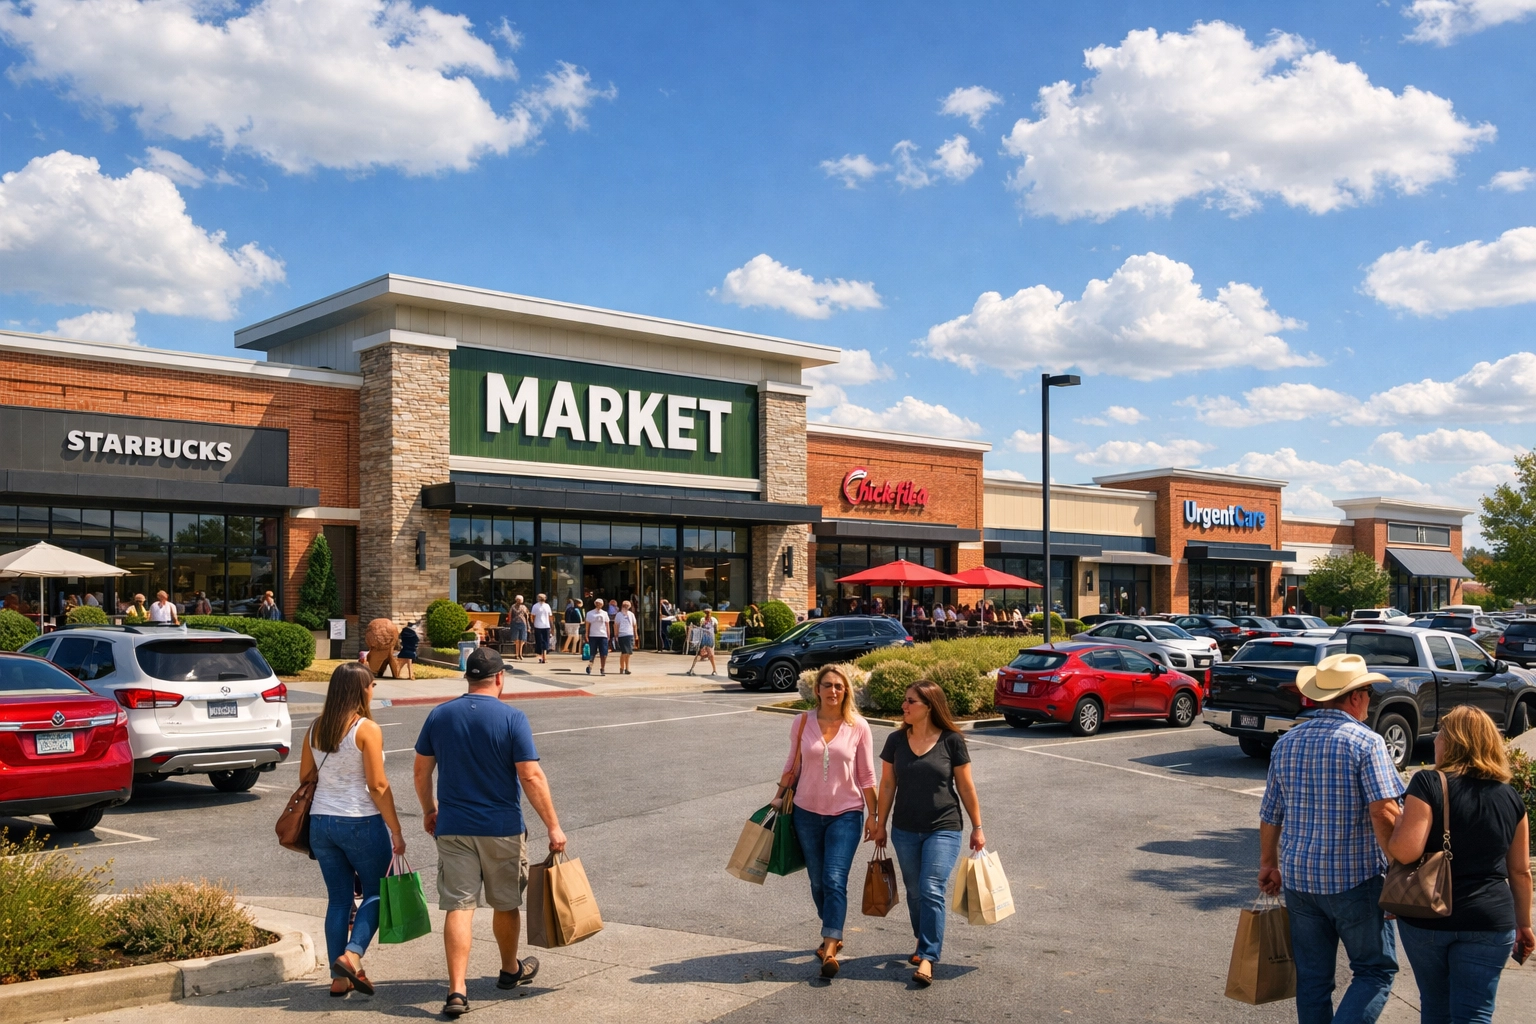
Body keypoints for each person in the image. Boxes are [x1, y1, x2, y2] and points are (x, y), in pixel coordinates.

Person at [413, 649, 566, 1018]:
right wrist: (553, 825)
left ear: (468, 678)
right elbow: (530, 776)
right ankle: (510, 969)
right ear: (499, 678)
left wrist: (429, 810)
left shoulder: (439, 715)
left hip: (453, 828)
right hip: (501, 829)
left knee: (459, 906)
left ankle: (456, 990)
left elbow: (420, 772)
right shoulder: (512, 717)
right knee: (505, 902)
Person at [1258, 653, 1404, 1024]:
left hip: (1300, 879)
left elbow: (1271, 813)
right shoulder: (1366, 743)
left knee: (1312, 979)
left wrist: (1268, 863)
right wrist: (1399, 871)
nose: (1370, 701)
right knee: (1375, 971)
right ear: (1355, 697)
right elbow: (1384, 812)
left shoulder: (1287, 742)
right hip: (1356, 879)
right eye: (1369, 692)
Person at [1385, 705, 1533, 1023]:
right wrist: (1525, 924)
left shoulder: (1428, 784)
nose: (1436, 738)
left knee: (1436, 1007)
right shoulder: (1510, 797)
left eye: (1441, 733)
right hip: (1490, 920)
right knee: (1475, 1013)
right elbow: (1520, 871)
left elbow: (1405, 852)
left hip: (1428, 916)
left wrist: (1394, 824)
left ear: (1453, 742)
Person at [301, 663, 407, 998]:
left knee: (339, 900)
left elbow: (306, 776)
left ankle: (340, 978)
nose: (374, 689)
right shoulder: (366, 729)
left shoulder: (316, 728)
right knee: (378, 892)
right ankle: (352, 955)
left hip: (320, 822)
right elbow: (377, 785)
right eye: (372, 685)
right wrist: (396, 829)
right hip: (359, 820)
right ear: (361, 690)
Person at [871, 679, 985, 987]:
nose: (904, 706)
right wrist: (880, 825)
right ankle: (922, 941)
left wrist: (977, 827)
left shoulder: (952, 741)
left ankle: (928, 957)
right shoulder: (895, 740)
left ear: (929, 707)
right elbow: (887, 785)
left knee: (932, 886)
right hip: (905, 829)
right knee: (915, 891)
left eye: (911, 701)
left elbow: (965, 786)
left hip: (944, 827)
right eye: (905, 700)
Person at [775, 666, 877, 979]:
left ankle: (830, 945)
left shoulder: (858, 725)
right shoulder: (802, 721)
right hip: (806, 812)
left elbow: (866, 775)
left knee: (834, 879)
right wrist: (779, 795)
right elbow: (792, 763)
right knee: (818, 881)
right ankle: (832, 928)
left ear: (846, 691)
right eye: (827, 685)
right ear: (817, 689)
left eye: (839, 686)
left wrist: (875, 816)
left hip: (847, 813)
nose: (833, 691)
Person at [686, 607, 718, 676]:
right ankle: (714, 670)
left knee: (703, 654)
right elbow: (715, 631)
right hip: (708, 638)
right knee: (710, 655)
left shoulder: (705, 620)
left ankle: (692, 668)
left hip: (705, 638)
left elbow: (702, 628)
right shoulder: (711, 620)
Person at [584, 598, 610, 676]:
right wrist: (586, 634)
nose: (599, 605)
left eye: (600, 604)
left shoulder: (605, 613)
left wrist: (608, 634)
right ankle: (590, 666)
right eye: (597, 603)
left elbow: (607, 624)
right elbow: (587, 625)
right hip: (593, 635)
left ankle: (602, 668)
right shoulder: (590, 613)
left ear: (602, 605)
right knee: (592, 653)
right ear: (595, 604)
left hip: (602, 635)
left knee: (604, 653)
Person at [614, 600, 638, 675]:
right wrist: (616, 635)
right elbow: (616, 625)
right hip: (622, 634)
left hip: (630, 634)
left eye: (627, 606)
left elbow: (634, 625)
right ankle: (622, 667)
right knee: (624, 652)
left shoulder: (631, 614)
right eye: (625, 606)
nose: (626, 607)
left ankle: (627, 668)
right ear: (622, 606)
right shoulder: (619, 615)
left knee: (629, 653)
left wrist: (636, 634)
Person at [529, 593, 553, 665]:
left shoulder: (535, 606)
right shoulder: (547, 606)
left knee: (539, 641)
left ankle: (540, 656)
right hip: (546, 625)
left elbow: (532, 616)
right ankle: (544, 657)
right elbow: (550, 616)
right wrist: (552, 625)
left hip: (537, 625)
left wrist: (533, 624)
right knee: (546, 641)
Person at [508, 596, 530, 661]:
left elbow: (527, 616)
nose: (520, 601)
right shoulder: (513, 606)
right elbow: (510, 614)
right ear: (516, 600)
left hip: (523, 624)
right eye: (518, 600)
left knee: (522, 639)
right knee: (516, 639)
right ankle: (516, 654)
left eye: (521, 600)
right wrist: (509, 622)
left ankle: (521, 654)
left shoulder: (524, 607)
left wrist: (528, 625)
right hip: (515, 623)